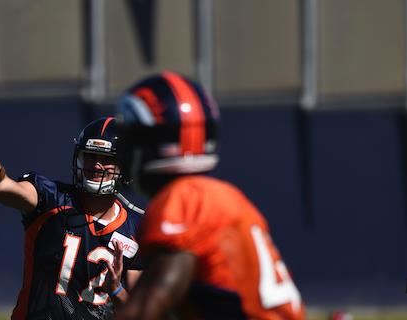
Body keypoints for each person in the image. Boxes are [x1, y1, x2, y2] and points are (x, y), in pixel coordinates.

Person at [113, 72, 305, 320]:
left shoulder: (183, 200)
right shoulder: (224, 196)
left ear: (148, 139)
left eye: (129, 136)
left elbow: (147, 308)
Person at [0, 117, 144, 320]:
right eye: (90, 157)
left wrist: (116, 290)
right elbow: (6, 187)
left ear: (125, 166)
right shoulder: (52, 199)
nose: (96, 166)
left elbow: (142, 312)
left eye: (106, 160)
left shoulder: (135, 230)